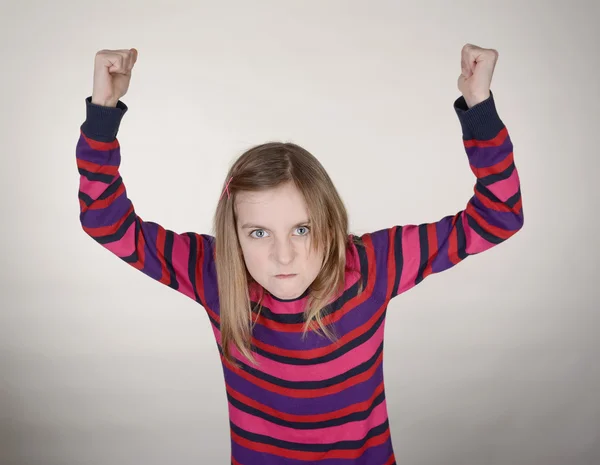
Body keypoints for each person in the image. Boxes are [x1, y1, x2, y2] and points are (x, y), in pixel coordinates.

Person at [76, 44, 523, 464]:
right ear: (234, 234)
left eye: (302, 230)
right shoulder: (216, 273)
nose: (283, 256)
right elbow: (106, 222)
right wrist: (103, 112)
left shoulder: (369, 265)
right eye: (258, 233)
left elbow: (499, 215)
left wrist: (479, 106)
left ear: (328, 221)